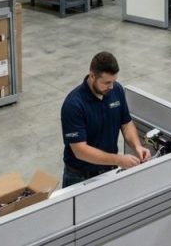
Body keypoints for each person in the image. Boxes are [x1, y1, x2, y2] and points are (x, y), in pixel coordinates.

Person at [60, 51, 151, 187]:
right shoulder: (74, 105)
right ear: (92, 76)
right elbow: (80, 151)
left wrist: (137, 146)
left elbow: (126, 124)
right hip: (80, 178)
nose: (111, 86)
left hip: (110, 171)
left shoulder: (116, 90)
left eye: (114, 81)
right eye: (107, 82)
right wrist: (119, 159)